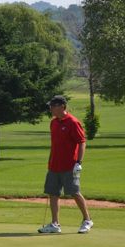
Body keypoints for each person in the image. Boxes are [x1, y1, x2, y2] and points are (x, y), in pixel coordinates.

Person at [39, 95, 93, 234]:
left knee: (74, 192)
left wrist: (78, 162)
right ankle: (55, 224)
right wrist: (50, 161)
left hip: (70, 166)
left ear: (62, 106)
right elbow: (54, 145)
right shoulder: (54, 122)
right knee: (53, 194)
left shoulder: (73, 122)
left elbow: (82, 142)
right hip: (54, 166)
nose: (50, 108)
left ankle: (87, 220)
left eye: (53, 106)